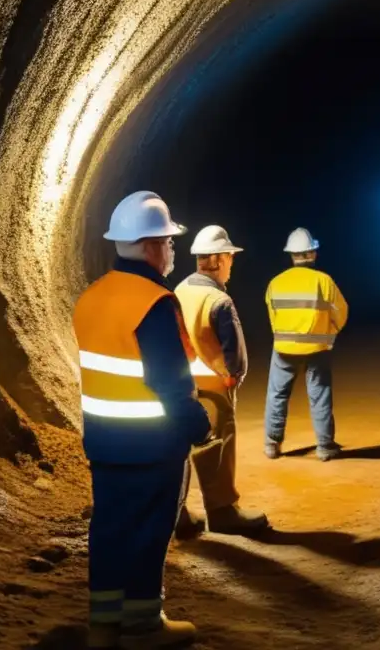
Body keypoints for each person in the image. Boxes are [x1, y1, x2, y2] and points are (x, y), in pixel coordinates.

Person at [73, 191, 211, 649]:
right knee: (149, 533)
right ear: (152, 246)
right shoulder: (154, 302)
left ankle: (103, 625)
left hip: (105, 441)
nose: (172, 250)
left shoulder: (90, 297)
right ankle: (143, 626)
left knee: (110, 530)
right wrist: (199, 425)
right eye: (169, 242)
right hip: (152, 445)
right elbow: (169, 382)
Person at [174, 225, 268, 536]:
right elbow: (235, 355)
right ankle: (222, 511)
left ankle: (177, 514)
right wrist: (234, 377)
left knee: (178, 450)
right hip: (214, 387)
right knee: (218, 446)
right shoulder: (218, 300)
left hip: (179, 384)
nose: (231, 266)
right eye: (229, 259)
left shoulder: (178, 290)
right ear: (216, 260)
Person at [264, 227, 349, 461]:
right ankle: (324, 446)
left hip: (283, 348)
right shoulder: (324, 281)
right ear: (312, 253)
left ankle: (272, 444)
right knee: (320, 395)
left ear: (291, 255)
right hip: (317, 348)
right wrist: (328, 332)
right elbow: (341, 312)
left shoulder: (276, 282)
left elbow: (273, 316)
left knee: (277, 394)